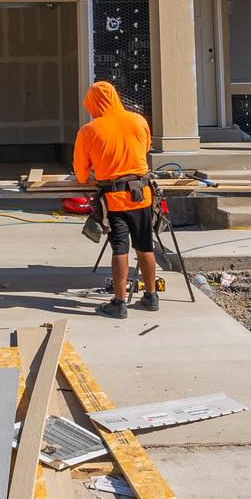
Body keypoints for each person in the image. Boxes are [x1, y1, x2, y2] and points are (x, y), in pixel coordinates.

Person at [73, 80, 158, 320]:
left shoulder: (89, 130)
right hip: (143, 195)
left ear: (93, 104)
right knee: (145, 245)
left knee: (120, 247)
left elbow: (80, 175)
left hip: (115, 199)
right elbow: (144, 150)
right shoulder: (139, 120)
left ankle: (119, 304)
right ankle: (151, 298)